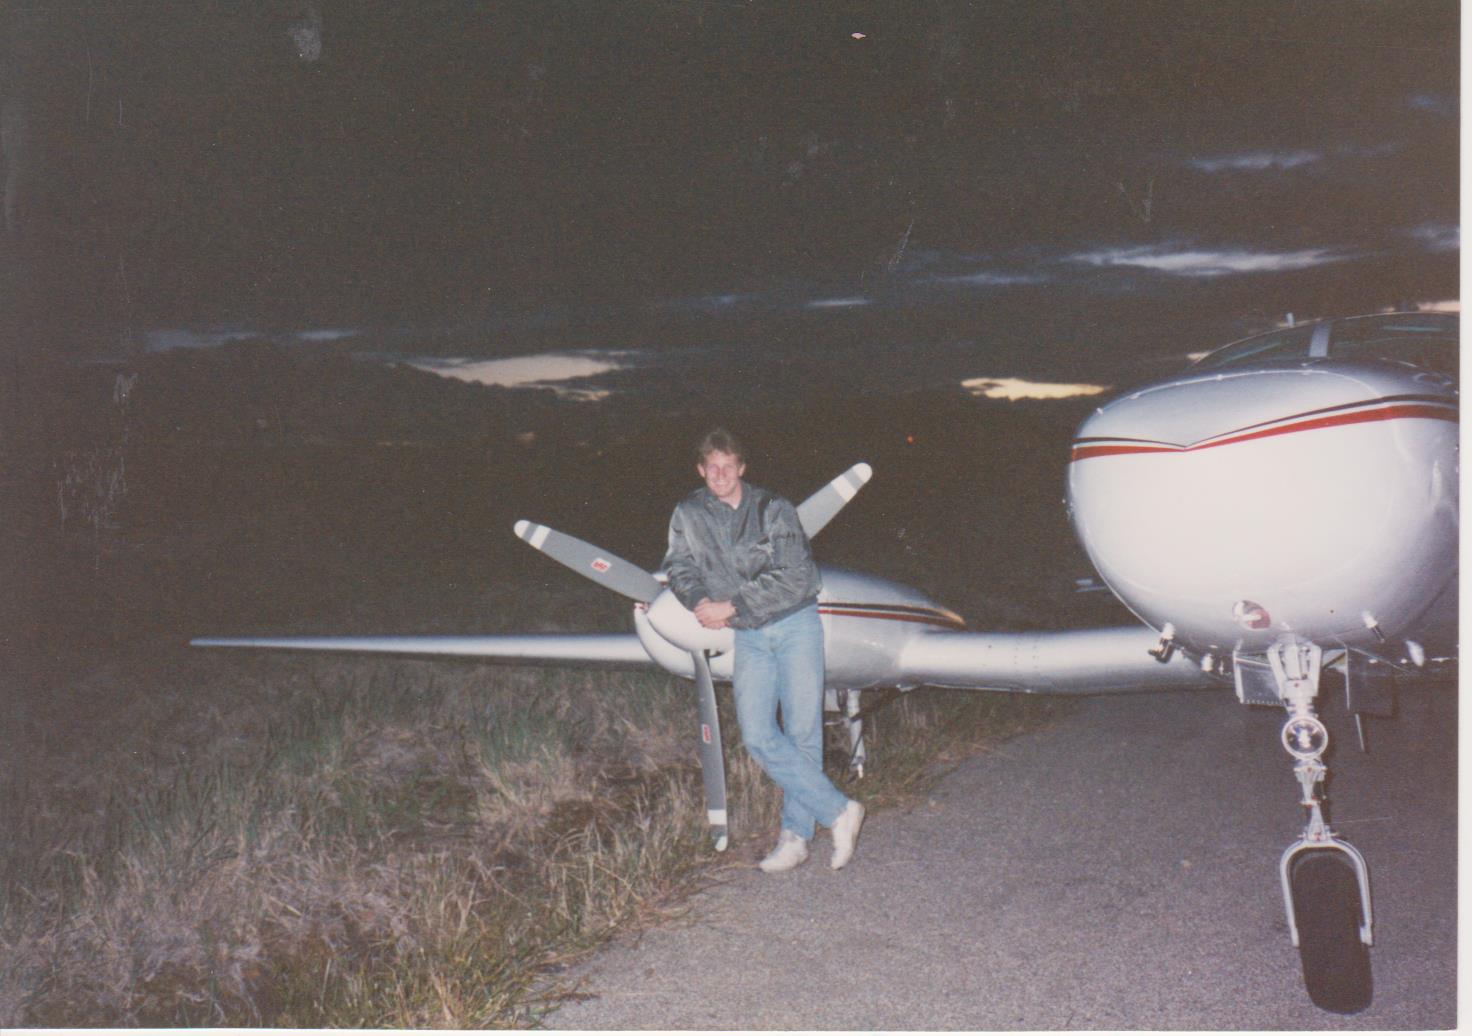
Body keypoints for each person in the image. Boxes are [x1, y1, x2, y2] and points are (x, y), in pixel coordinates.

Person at [662, 427, 864, 872]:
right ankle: (839, 811)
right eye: (711, 467)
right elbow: (678, 565)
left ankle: (795, 837)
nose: (720, 475)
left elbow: (797, 576)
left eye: (727, 466)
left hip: (795, 626)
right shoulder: (688, 513)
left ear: (741, 468)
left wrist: (730, 605)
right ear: (700, 470)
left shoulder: (773, 508)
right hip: (750, 636)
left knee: (802, 733)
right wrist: (699, 601)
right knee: (756, 735)